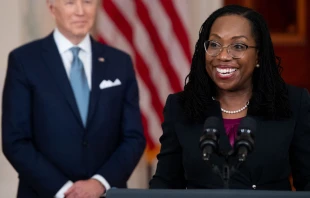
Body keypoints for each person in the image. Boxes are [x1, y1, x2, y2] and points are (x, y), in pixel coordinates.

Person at [149, 5, 310, 191]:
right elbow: (165, 184)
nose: (223, 56)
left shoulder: (293, 103)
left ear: (258, 55)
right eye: (214, 44)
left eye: (238, 46)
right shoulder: (181, 107)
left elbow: (307, 182)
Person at [2, 0, 146, 197]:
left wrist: (99, 183)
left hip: (106, 193)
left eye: (87, 2)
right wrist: (65, 191)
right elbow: (15, 141)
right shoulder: (24, 61)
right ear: (52, 8)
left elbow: (134, 138)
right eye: (70, 3)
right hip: (44, 193)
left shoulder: (120, 62)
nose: (80, 11)